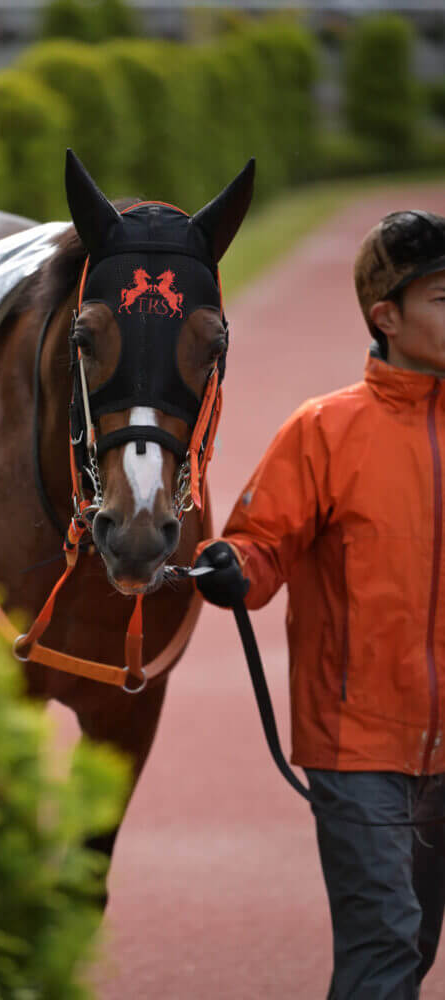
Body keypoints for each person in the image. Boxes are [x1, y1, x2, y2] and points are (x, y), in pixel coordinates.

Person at [194, 209, 445, 999]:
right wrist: (234, 563)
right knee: (385, 944)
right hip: (358, 743)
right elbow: (262, 541)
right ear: (387, 318)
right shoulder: (325, 431)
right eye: (444, 297)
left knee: (418, 940)